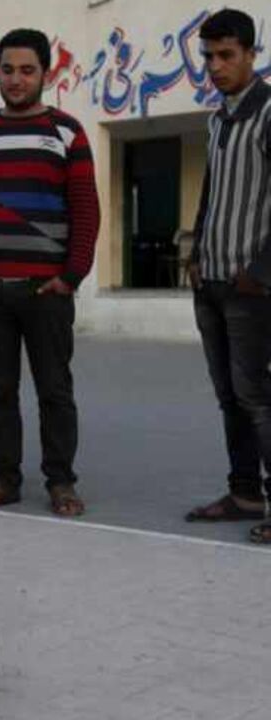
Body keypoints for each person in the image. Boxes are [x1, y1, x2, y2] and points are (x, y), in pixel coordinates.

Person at [0, 28, 100, 517]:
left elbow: (85, 209)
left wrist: (71, 276)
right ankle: (2, 477)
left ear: (45, 74)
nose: (16, 80)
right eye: (7, 70)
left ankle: (61, 481)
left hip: (46, 289)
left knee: (55, 390)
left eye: (27, 70)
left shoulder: (68, 132)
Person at [180, 9, 271, 544]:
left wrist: (259, 272)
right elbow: (213, 193)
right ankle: (243, 493)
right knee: (230, 396)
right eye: (208, 57)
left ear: (250, 55)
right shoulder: (217, 118)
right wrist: (194, 252)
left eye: (226, 55)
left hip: (250, 286)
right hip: (211, 280)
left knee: (257, 395)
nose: (215, 66)